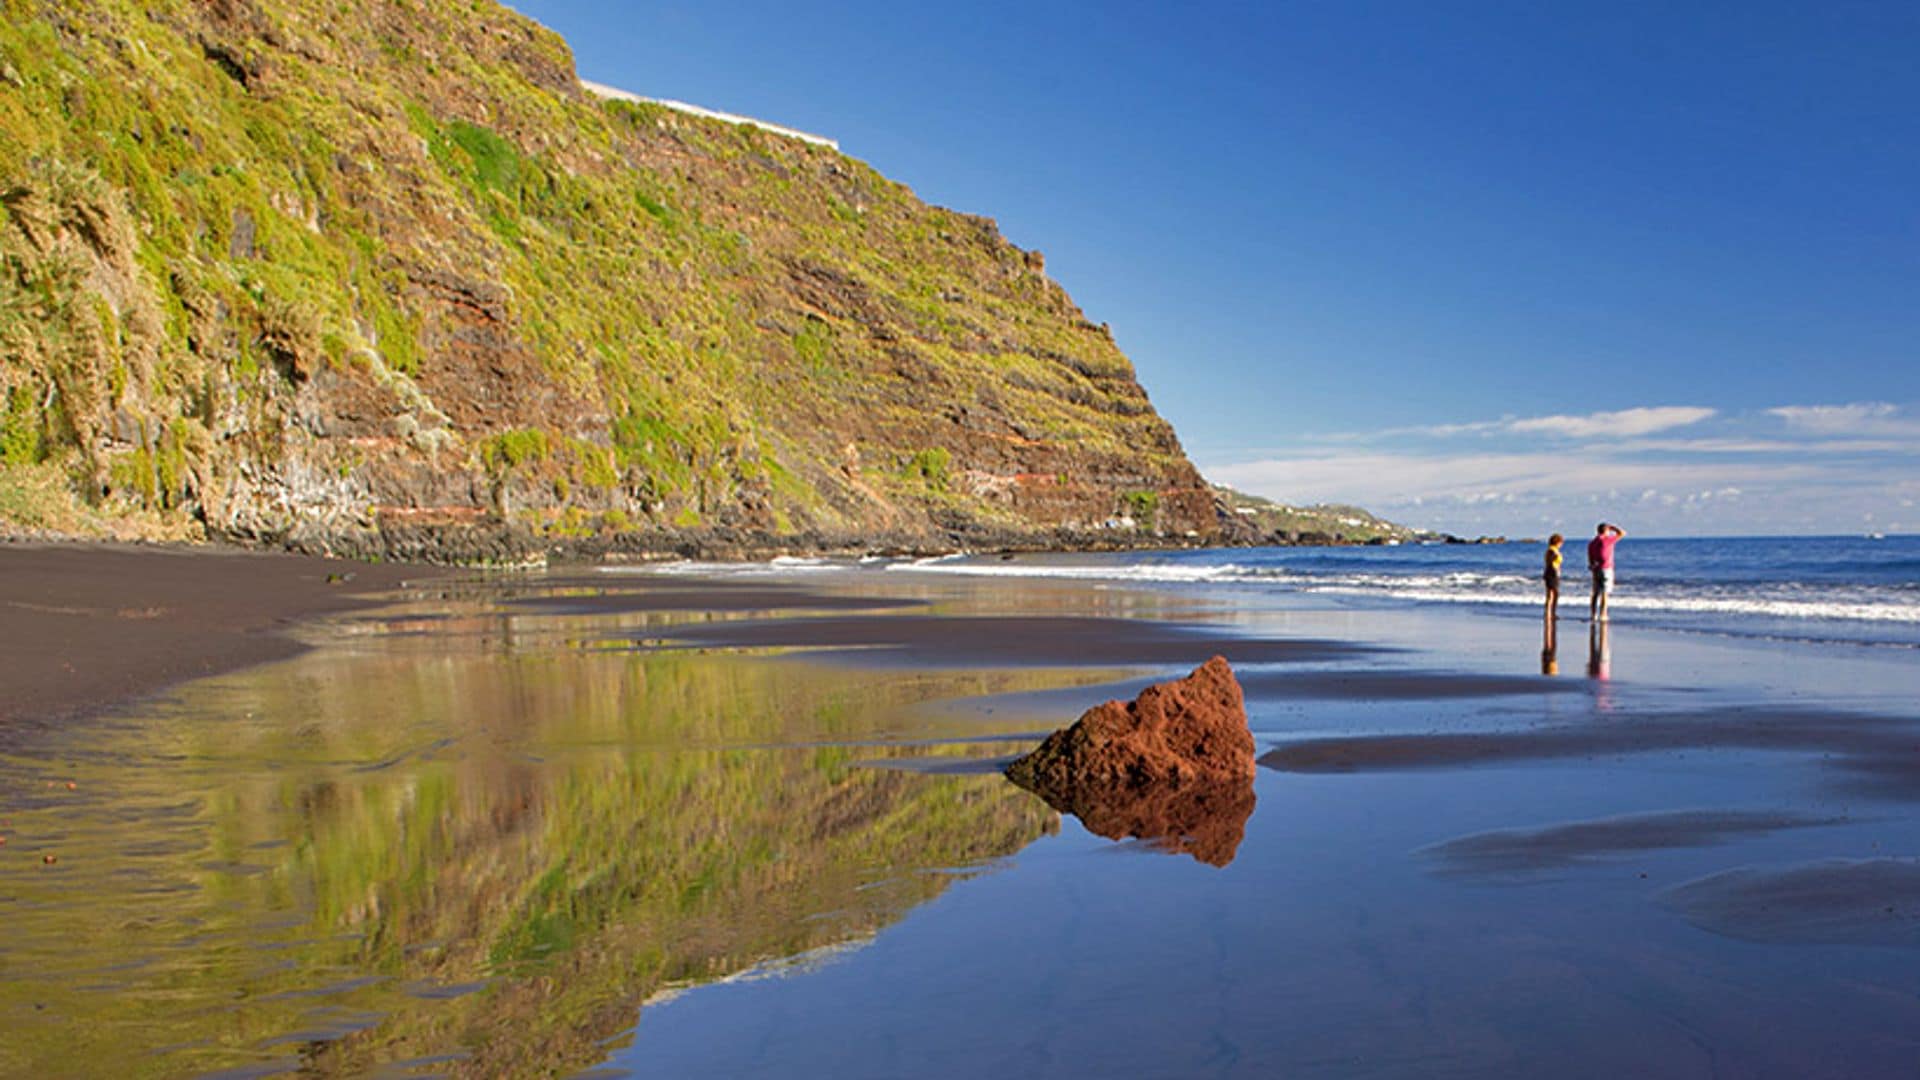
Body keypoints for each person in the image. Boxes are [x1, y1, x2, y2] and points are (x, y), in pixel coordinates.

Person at [1587, 522, 1625, 621]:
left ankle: (1593, 614)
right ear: (1606, 531)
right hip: (1606, 568)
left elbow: (1590, 558)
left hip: (1596, 568)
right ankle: (1603, 614)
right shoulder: (1607, 540)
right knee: (1604, 592)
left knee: (1595, 593)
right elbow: (1622, 533)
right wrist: (1613, 527)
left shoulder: (1592, 543)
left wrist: (1592, 566)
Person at [1543, 533, 1564, 623]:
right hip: (1552, 573)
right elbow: (1551, 562)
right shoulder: (1552, 550)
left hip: (1551, 573)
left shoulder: (1553, 550)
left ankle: (1551, 613)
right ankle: (1549, 613)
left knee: (1553, 594)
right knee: (1552, 594)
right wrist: (1555, 570)